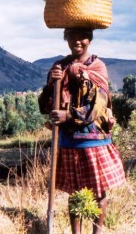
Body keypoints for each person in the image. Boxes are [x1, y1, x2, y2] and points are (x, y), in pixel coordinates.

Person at [38, 28, 126, 234]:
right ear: (65, 38)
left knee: (98, 193)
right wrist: (52, 82)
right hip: (69, 141)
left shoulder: (97, 67)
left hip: (93, 141)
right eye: (72, 36)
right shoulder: (59, 66)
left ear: (90, 39)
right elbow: (44, 107)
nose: (77, 41)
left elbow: (98, 107)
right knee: (75, 192)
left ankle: (97, 231)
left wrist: (67, 116)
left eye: (82, 37)